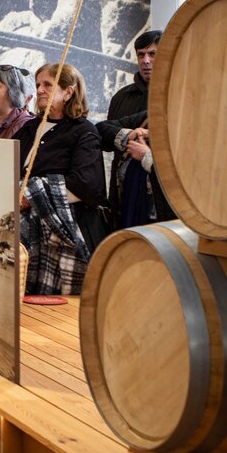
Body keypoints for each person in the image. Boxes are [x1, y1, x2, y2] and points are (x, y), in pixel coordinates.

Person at [16, 63, 106, 296]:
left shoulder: (84, 131)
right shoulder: (29, 128)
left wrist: (32, 195)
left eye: (48, 84)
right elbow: (5, 165)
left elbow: (87, 184)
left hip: (65, 229)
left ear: (69, 91)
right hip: (27, 230)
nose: (41, 90)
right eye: (38, 85)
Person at [98, 30, 162, 228]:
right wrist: (128, 136)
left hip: (161, 193)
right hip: (124, 191)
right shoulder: (122, 98)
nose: (146, 60)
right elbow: (102, 137)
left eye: (152, 54)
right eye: (141, 55)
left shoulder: (177, 96)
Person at [96, 109, 176, 227]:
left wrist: (147, 157)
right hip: (128, 215)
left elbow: (181, 180)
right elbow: (100, 129)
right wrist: (129, 136)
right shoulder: (149, 117)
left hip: (165, 226)